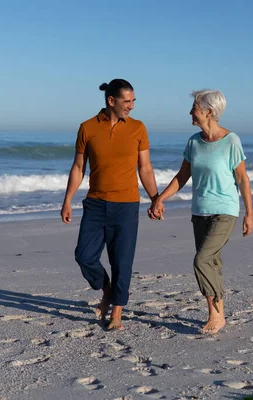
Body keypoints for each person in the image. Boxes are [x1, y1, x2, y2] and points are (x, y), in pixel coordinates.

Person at [150, 89, 253, 334]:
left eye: (194, 107)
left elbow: (243, 178)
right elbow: (182, 176)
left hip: (226, 211)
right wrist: (159, 199)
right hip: (200, 211)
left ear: (209, 111)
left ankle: (216, 313)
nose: (190, 112)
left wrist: (249, 213)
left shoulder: (231, 141)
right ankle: (217, 314)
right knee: (212, 262)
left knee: (202, 260)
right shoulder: (193, 142)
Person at [61, 79, 159, 331]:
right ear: (111, 101)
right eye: (127, 101)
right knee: (84, 256)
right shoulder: (87, 128)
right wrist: (67, 200)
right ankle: (107, 290)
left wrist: (155, 198)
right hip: (95, 204)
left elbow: (145, 168)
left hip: (126, 205)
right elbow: (78, 167)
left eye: (133, 101)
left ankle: (117, 313)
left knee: (122, 261)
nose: (131, 106)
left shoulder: (138, 128)